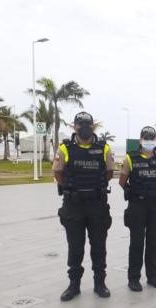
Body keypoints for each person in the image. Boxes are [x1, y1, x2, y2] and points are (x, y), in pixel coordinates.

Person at [53, 112, 114, 301]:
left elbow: (109, 172)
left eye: (88, 124)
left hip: (97, 204)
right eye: (81, 124)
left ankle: (100, 283)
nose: (84, 127)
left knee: (98, 246)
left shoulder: (104, 148)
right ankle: (74, 285)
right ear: (74, 127)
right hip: (74, 205)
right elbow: (58, 173)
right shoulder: (64, 148)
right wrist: (72, 189)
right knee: (75, 247)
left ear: (93, 126)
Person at [119, 126, 156, 292]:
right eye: (146, 138)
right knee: (136, 243)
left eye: (151, 138)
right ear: (141, 139)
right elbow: (122, 181)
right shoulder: (130, 158)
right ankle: (133, 278)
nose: (149, 141)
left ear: (155, 140)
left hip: (155, 205)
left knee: (153, 242)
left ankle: (152, 276)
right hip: (137, 205)